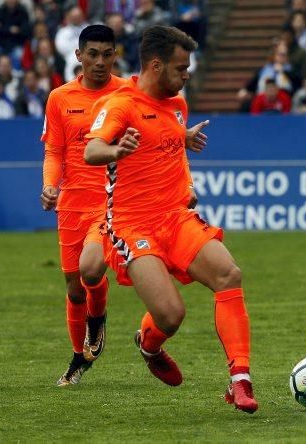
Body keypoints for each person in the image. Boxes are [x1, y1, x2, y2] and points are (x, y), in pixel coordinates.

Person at [83, 25, 257, 414]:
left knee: (229, 274)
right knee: (171, 314)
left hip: (176, 217)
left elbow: (169, 145)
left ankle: (240, 381)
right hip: (132, 225)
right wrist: (115, 149)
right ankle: (149, 345)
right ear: (156, 65)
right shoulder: (120, 105)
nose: (187, 75)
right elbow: (91, 151)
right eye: (181, 68)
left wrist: (184, 141)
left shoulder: (177, 104)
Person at [40, 25, 128, 386]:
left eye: (107, 54)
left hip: (111, 200)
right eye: (93, 54)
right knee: (74, 287)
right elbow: (54, 151)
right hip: (71, 203)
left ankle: (97, 317)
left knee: (91, 269)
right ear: (78, 56)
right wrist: (49, 186)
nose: (100, 62)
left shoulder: (127, 92)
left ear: (115, 55)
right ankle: (79, 358)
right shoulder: (60, 98)